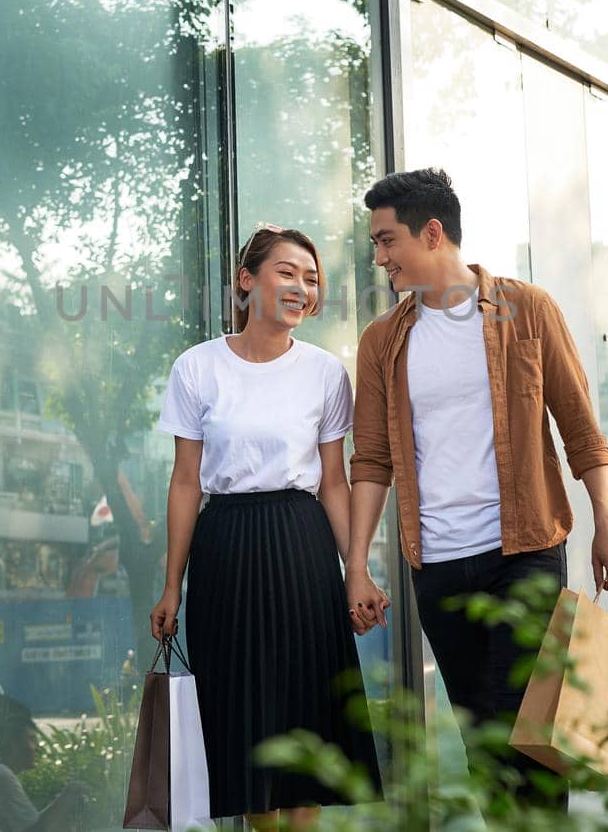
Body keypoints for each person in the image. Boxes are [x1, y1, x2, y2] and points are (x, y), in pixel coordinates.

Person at [342, 168, 608, 810]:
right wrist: (357, 566)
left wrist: (607, 522)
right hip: (439, 566)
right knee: (484, 746)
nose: (380, 257)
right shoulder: (382, 342)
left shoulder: (526, 310)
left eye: (387, 241)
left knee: (528, 740)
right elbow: (370, 462)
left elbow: (580, 427)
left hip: (524, 553)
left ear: (433, 232)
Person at [150, 224, 383, 828]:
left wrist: (356, 571)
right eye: (287, 272)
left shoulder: (327, 373)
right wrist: (172, 584)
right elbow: (184, 482)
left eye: (311, 279)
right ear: (246, 281)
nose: (302, 288)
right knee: (241, 720)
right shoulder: (197, 367)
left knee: (305, 715)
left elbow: (335, 481)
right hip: (224, 547)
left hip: (302, 546)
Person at [0, 692, 91, 832]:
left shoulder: (1, 774)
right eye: (31, 739)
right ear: (12, 744)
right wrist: (68, 794)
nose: (37, 747)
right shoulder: (2, 775)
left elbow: (30, 824)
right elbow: (36, 830)